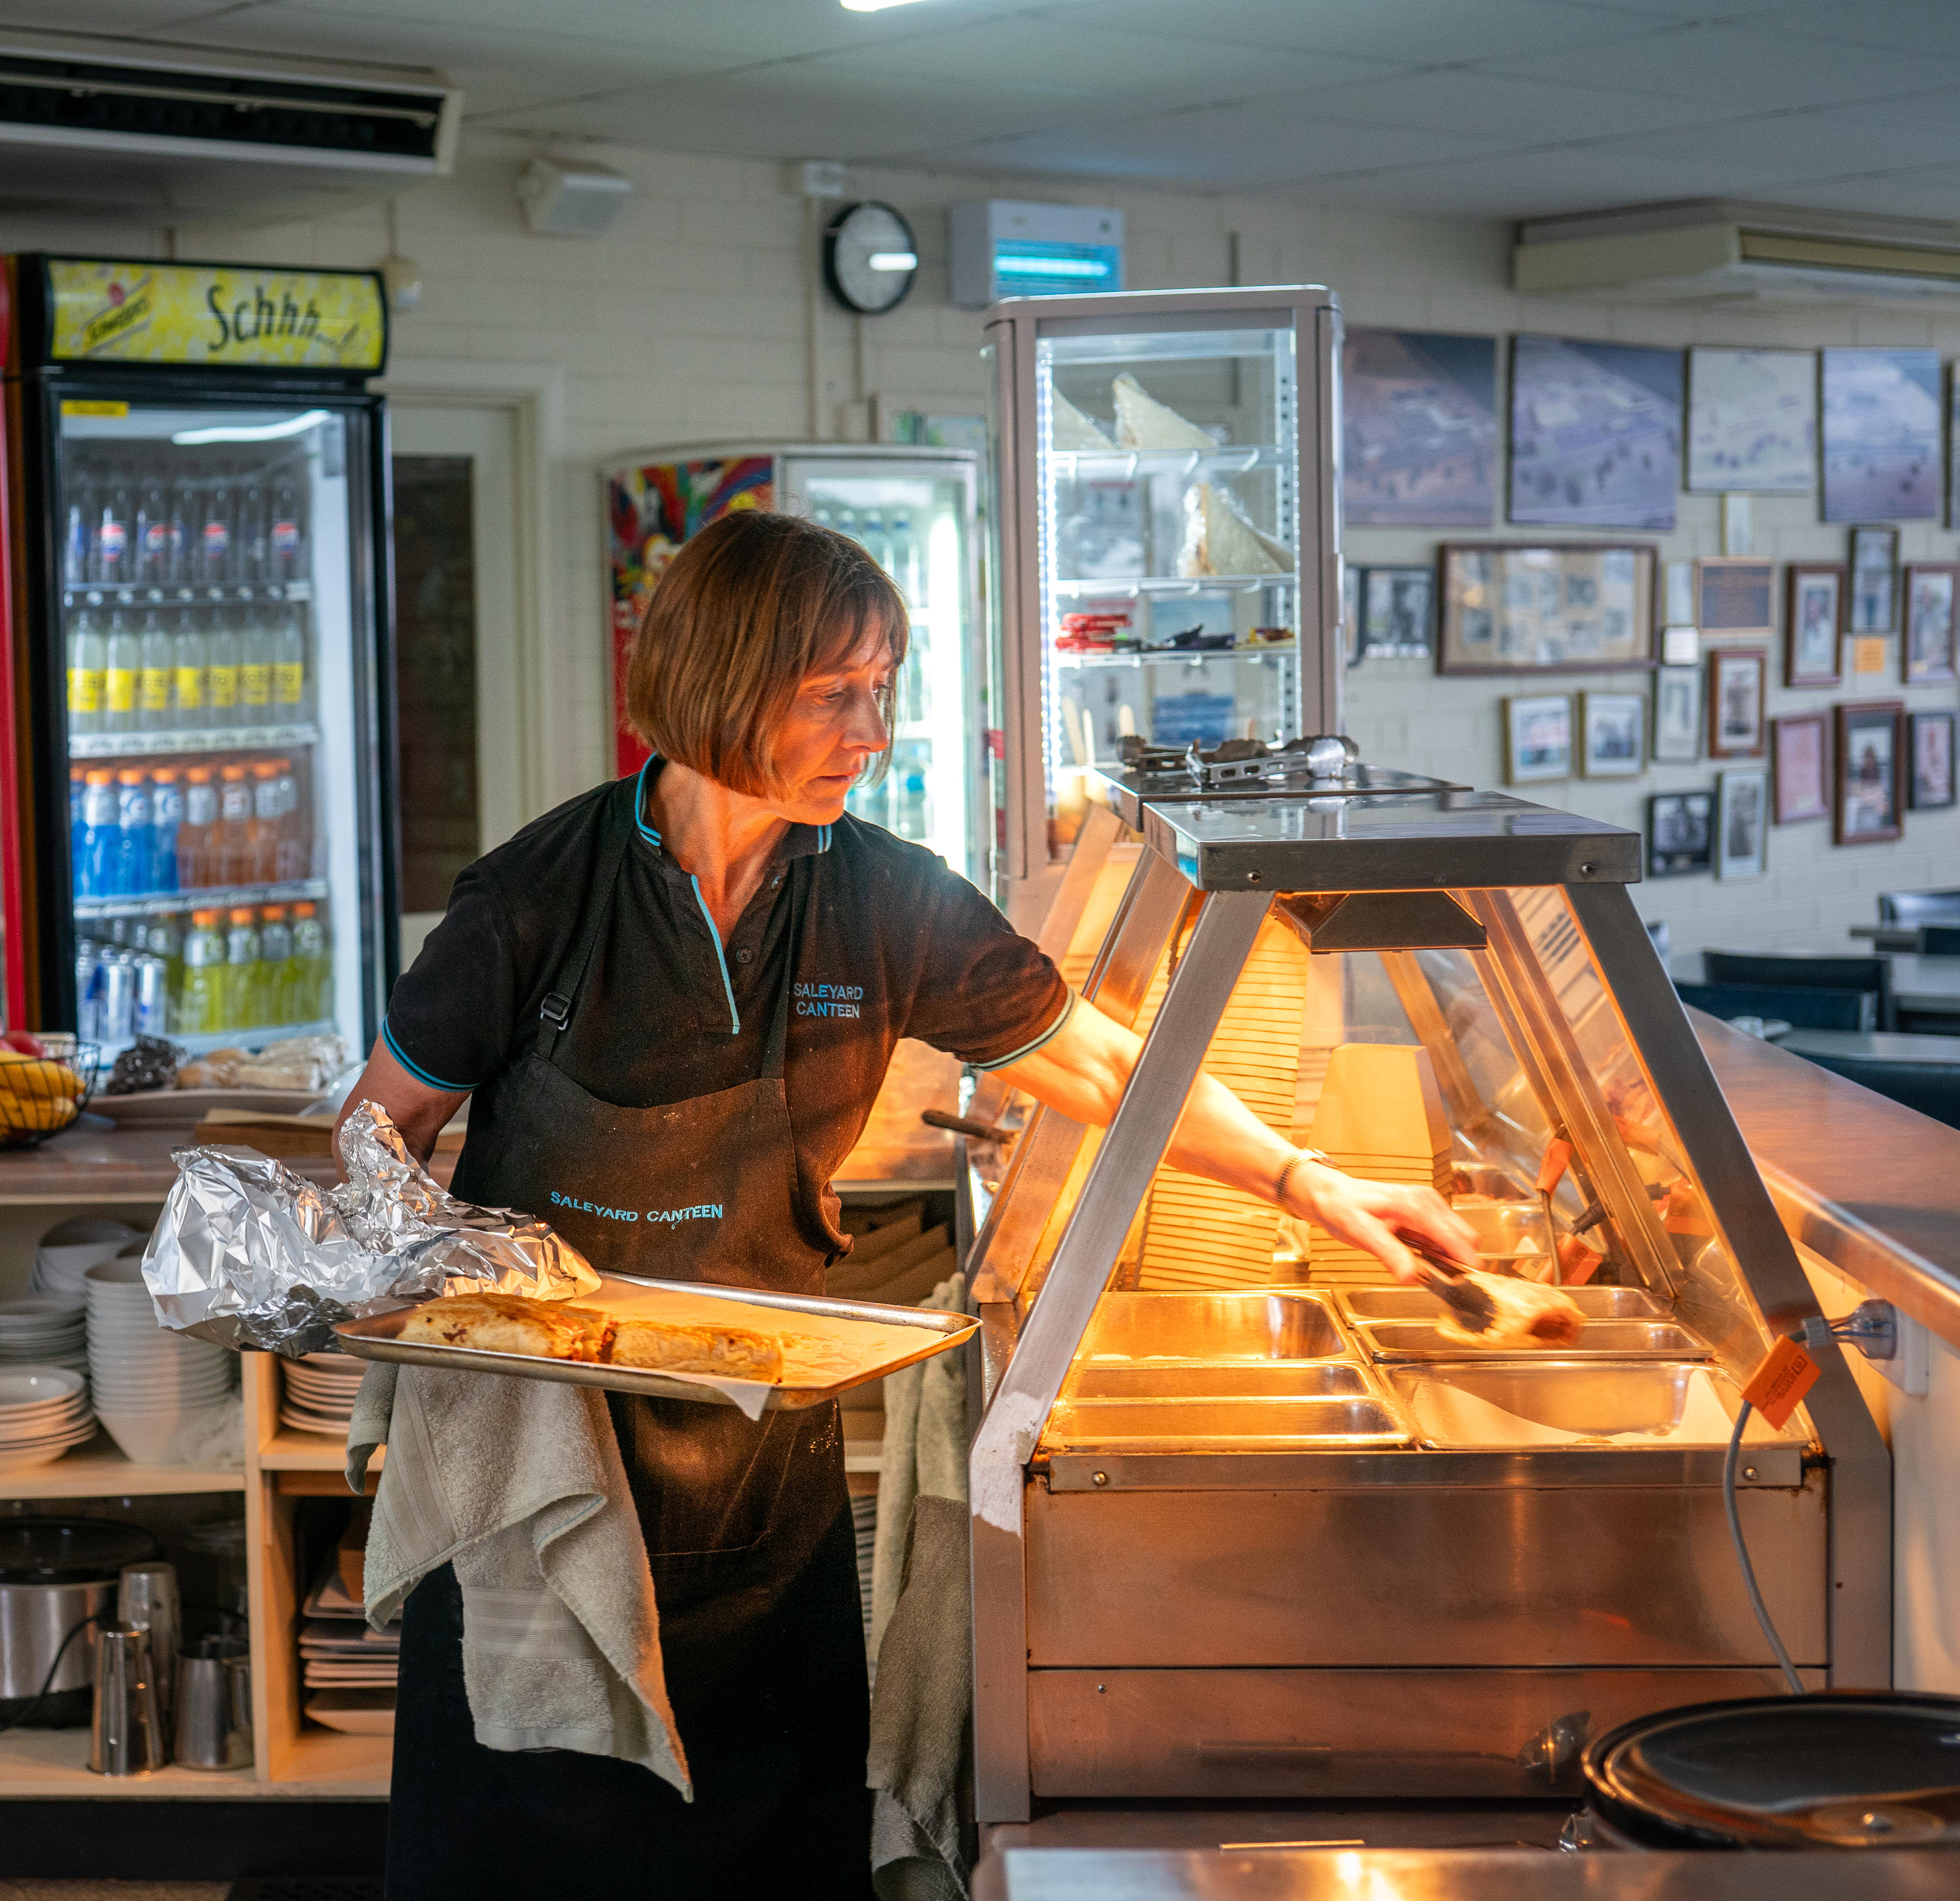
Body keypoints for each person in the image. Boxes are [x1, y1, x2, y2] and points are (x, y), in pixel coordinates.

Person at [340, 508, 1475, 1898]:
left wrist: (1313, 1180)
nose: (869, 730)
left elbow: (1107, 1065)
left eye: (881, 689)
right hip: (534, 1471)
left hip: (759, 1467)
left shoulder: (881, 895)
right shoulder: (539, 891)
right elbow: (372, 1135)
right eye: (834, 692)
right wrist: (454, 1287)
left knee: (766, 1856)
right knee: (519, 1862)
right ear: (719, 678)